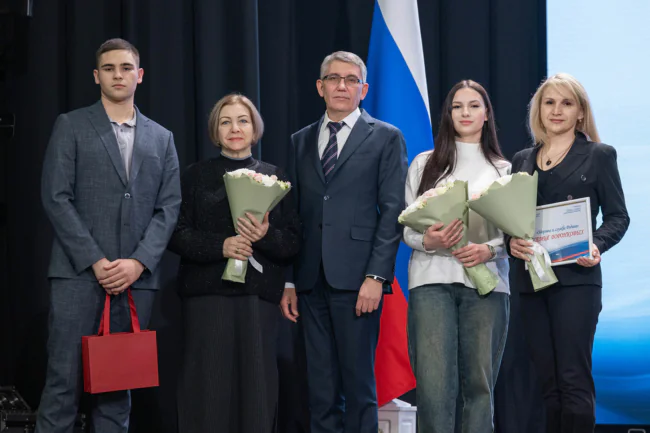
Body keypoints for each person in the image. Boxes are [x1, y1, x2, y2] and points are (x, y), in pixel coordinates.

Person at [37, 38, 181, 433]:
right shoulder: (71, 125)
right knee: (62, 386)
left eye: (126, 67)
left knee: (118, 393)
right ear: (96, 76)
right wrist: (95, 260)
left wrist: (138, 263)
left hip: (136, 282)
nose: (118, 75)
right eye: (109, 68)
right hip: (78, 276)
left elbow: (169, 207)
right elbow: (56, 197)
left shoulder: (162, 137)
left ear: (140, 75)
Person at [280, 51, 408, 433]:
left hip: (358, 281)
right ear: (320, 87)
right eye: (334, 79)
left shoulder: (385, 137)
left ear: (363, 90)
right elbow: (292, 215)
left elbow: (393, 211)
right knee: (320, 390)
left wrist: (376, 276)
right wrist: (289, 280)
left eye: (351, 80)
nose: (342, 86)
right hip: (309, 280)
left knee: (358, 388)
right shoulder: (300, 140)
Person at [168, 93, 301, 433]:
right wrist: (222, 246)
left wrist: (265, 235)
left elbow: (292, 242)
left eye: (242, 121)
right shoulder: (194, 176)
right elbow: (176, 235)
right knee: (207, 390)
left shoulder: (276, 177)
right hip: (206, 298)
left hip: (257, 300)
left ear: (255, 128)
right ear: (215, 130)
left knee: (256, 392)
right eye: (225, 122)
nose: (235, 128)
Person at [508, 73, 630, 433]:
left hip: (577, 279)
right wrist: (511, 242)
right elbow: (512, 220)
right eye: (549, 102)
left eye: (566, 103)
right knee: (548, 383)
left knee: (573, 379)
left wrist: (597, 244)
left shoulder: (599, 155)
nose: (556, 110)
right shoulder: (521, 160)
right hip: (532, 282)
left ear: (580, 112)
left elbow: (618, 217)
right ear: (538, 110)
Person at [403, 80, 511, 433]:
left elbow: (513, 234)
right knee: (434, 389)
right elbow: (406, 228)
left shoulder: (504, 170)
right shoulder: (424, 163)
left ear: (486, 114)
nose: (465, 113)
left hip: (488, 286)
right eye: (457, 106)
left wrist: (488, 249)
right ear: (448, 114)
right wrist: (429, 240)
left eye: (474, 105)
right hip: (431, 283)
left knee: (479, 388)